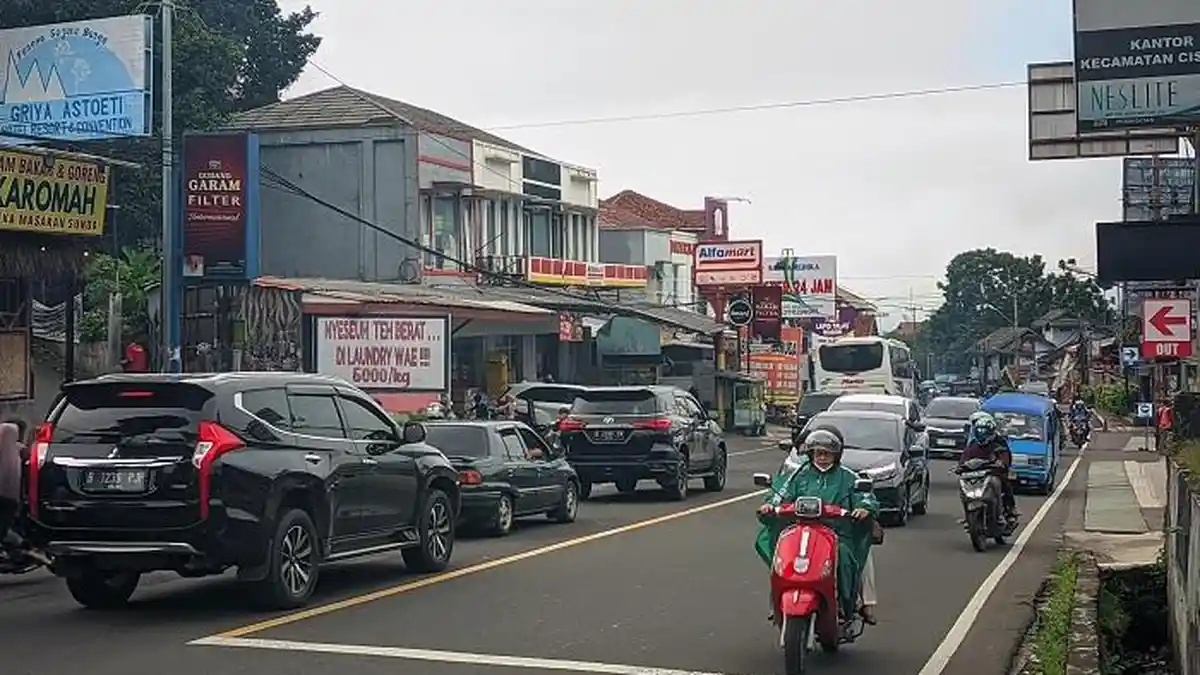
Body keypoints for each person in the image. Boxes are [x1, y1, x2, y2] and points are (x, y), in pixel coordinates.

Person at [755, 428, 880, 624]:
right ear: (810, 453)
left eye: (827, 453)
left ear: (836, 455)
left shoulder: (848, 477)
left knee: (846, 557)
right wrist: (770, 504)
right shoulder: (798, 475)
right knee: (782, 555)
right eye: (817, 453)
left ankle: (844, 604)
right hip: (799, 529)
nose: (822, 457)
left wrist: (864, 508)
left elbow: (865, 497)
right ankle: (776, 601)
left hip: (838, 533)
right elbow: (779, 493)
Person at [0, 422, 49, 565]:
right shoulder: (18, 449)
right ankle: (25, 547)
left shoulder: (16, 448)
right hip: (13, 499)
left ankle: (24, 547)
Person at [960, 413, 1018, 522]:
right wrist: (961, 466)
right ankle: (968, 515)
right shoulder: (973, 444)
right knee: (963, 489)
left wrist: (1000, 463)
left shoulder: (999, 442)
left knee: (1003, 484)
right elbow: (965, 456)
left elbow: (1005, 457)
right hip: (976, 474)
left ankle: (1008, 510)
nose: (982, 434)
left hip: (993, 472)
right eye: (979, 431)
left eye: (984, 431)